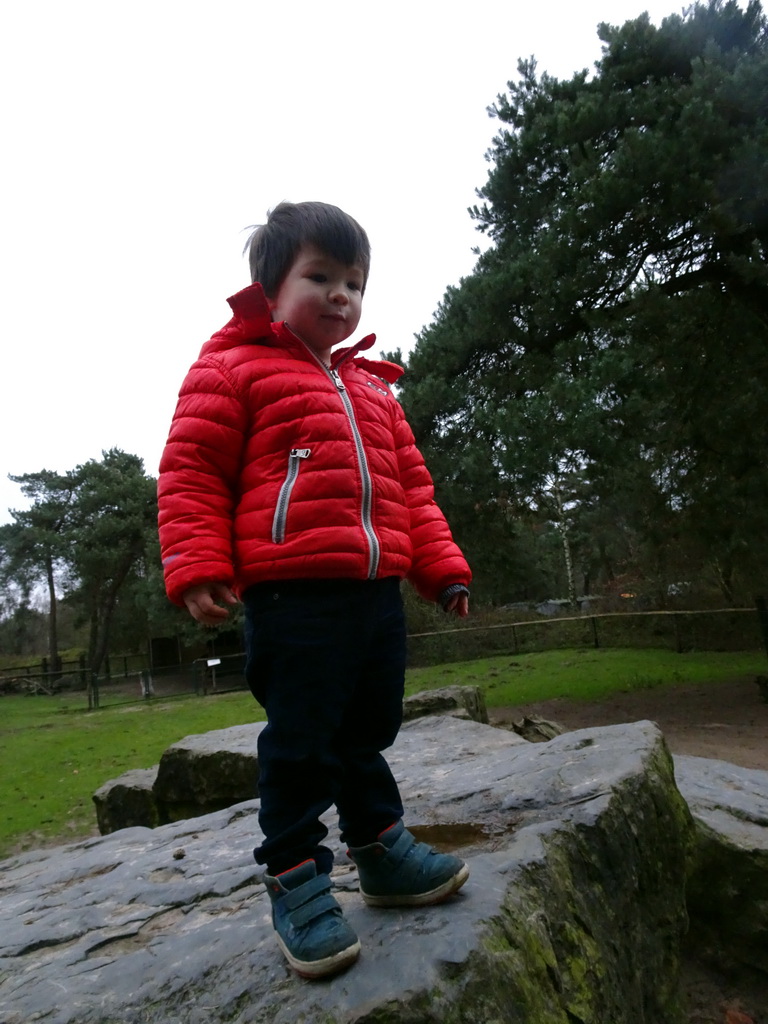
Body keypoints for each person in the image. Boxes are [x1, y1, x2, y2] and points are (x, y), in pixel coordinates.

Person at [158, 201, 472, 979]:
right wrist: (198, 566)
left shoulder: (372, 392)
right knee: (301, 745)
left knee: (367, 730)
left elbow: (413, 490)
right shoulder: (231, 368)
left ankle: (379, 852)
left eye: (355, 283)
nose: (341, 295)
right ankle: (296, 877)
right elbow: (192, 473)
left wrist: (442, 566)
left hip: (375, 597)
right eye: (321, 277)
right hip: (292, 599)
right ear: (269, 289)